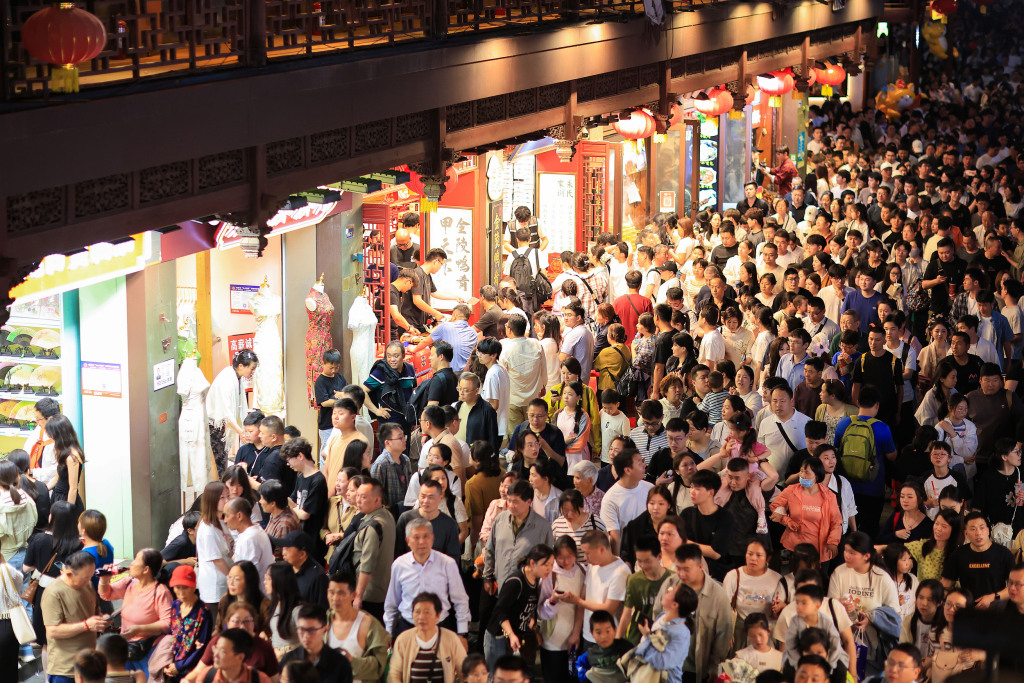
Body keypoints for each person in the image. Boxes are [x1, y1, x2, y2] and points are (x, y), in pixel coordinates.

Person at [827, 532, 902, 677]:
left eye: (852, 553)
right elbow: (830, 606)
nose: (846, 555)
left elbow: (895, 614)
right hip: (843, 641)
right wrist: (840, 606)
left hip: (873, 646)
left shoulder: (882, 578)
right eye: (845, 550)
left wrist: (871, 618)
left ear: (866, 556)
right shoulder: (839, 573)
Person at [97, 548, 172, 677]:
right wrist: (104, 580)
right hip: (126, 646)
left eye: (136, 560)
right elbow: (106, 594)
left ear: (146, 569)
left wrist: (139, 629)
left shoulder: (160, 591)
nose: (131, 563)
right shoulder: (129, 582)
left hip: (148, 648)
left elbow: (167, 623)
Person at [834, 386, 898, 539]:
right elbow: (891, 456)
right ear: (877, 404)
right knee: (870, 527)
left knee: (848, 526)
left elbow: (837, 449)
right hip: (873, 486)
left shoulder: (844, 423)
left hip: (847, 485)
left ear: (857, 402)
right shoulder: (882, 428)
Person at [485, 543, 554, 670]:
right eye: (546, 564)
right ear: (532, 563)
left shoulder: (537, 581)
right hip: (500, 637)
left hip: (517, 638)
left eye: (551, 565)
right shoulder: (516, 581)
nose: (549, 569)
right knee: (498, 676)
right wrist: (511, 634)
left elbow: (530, 611)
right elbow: (500, 611)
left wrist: (535, 631)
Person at [483, 479, 555, 596]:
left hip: (528, 591)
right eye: (509, 500)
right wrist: (487, 577)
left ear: (528, 501)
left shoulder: (543, 527)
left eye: (515, 502)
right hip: (501, 586)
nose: (511, 505)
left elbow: (549, 560)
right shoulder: (500, 520)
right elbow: (490, 550)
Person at [769, 457, 843, 563]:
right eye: (801, 471)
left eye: (807, 473)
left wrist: (833, 541)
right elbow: (775, 506)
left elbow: (836, 522)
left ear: (817, 476)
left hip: (820, 548)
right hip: (796, 547)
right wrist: (787, 521)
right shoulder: (791, 490)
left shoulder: (829, 496)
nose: (802, 475)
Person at [325, 572, 390, 683]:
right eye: (331, 593)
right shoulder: (322, 621)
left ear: (353, 595)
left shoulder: (369, 624)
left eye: (341, 593)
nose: (335, 598)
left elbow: (379, 666)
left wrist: (351, 661)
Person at [388, 592, 467, 683]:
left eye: (427, 612)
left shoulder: (451, 639)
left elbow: (465, 672)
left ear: (438, 616)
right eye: (417, 612)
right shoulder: (403, 640)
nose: (421, 617)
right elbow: (394, 674)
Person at [942, 511, 1014, 606]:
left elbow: (1016, 587)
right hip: (968, 609)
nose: (978, 533)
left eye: (982, 528)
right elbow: (945, 585)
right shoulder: (958, 554)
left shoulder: (1003, 553)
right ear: (966, 534)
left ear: (988, 530)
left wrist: (993, 597)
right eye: (973, 529)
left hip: (997, 608)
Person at [350, 479, 396, 621]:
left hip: (368, 595)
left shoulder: (372, 527)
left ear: (377, 500)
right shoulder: (387, 515)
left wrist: (358, 596)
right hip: (383, 590)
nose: (358, 500)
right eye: (358, 495)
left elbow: (367, 565)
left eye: (363, 497)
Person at [207, 349, 258, 473]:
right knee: (219, 461)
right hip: (216, 424)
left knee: (222, 459)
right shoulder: (226, 380)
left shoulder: (235, 376)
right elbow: (225, 412)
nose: (253, 372)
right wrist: (240, 431)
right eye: (252, 368)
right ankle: (222, 484)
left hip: (221, 424)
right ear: (241, 366)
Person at [279, 604, 354, 683]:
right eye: (302, 630)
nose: (306, 636)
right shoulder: (288, 660)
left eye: (311, 630)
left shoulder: (340, 663)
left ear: (325, 630)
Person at [499, 315, 547, 435]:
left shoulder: (505, 349)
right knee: (534, 432)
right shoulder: (536, 344)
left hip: (512, 399)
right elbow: (543, 369)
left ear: (509, 330)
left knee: (516, 435)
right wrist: (543, 386)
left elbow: (502, 377)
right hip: (533, 397)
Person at [599, 448, 654, 555]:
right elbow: (614, 536)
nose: (644, 465)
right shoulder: (610, 499)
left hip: (652, 551)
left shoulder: (650, 488)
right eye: (639, 462)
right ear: (628, 470)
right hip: (628, 554)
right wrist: (619, 562)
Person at [363, 341, 417, 435]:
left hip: (406, 421)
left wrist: (413, 417)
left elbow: (414, 391)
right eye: (389, 356)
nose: (392, 359)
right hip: (388, 424)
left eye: (396, 356)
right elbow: (362, 391)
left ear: (403, 356)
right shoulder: (380, 372)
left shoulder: (410, 369)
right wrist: (376, 411)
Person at [370, 422, 414, 517]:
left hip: (405, 512)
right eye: (400, 438)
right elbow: (375, 496)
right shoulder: (381, 464)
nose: (404, 440)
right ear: (387, 442)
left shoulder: (406, 460)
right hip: (388, 515)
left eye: (404, 436)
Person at [0, 458, 36, 569]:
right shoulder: (27, 498)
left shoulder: (2, 505)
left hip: (6, 558)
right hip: (25, 554)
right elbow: (34, 521)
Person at [314, 349, 348, 451]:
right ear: (323, 364)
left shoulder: (340, 377)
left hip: (341, 423)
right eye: (331, 368)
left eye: (336, 367)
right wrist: (341, 398)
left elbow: (348, 392)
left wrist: (343, 395)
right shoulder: (320, 382)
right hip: (327, 424)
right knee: (327, 450)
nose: (333, 370)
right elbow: (324, 402)